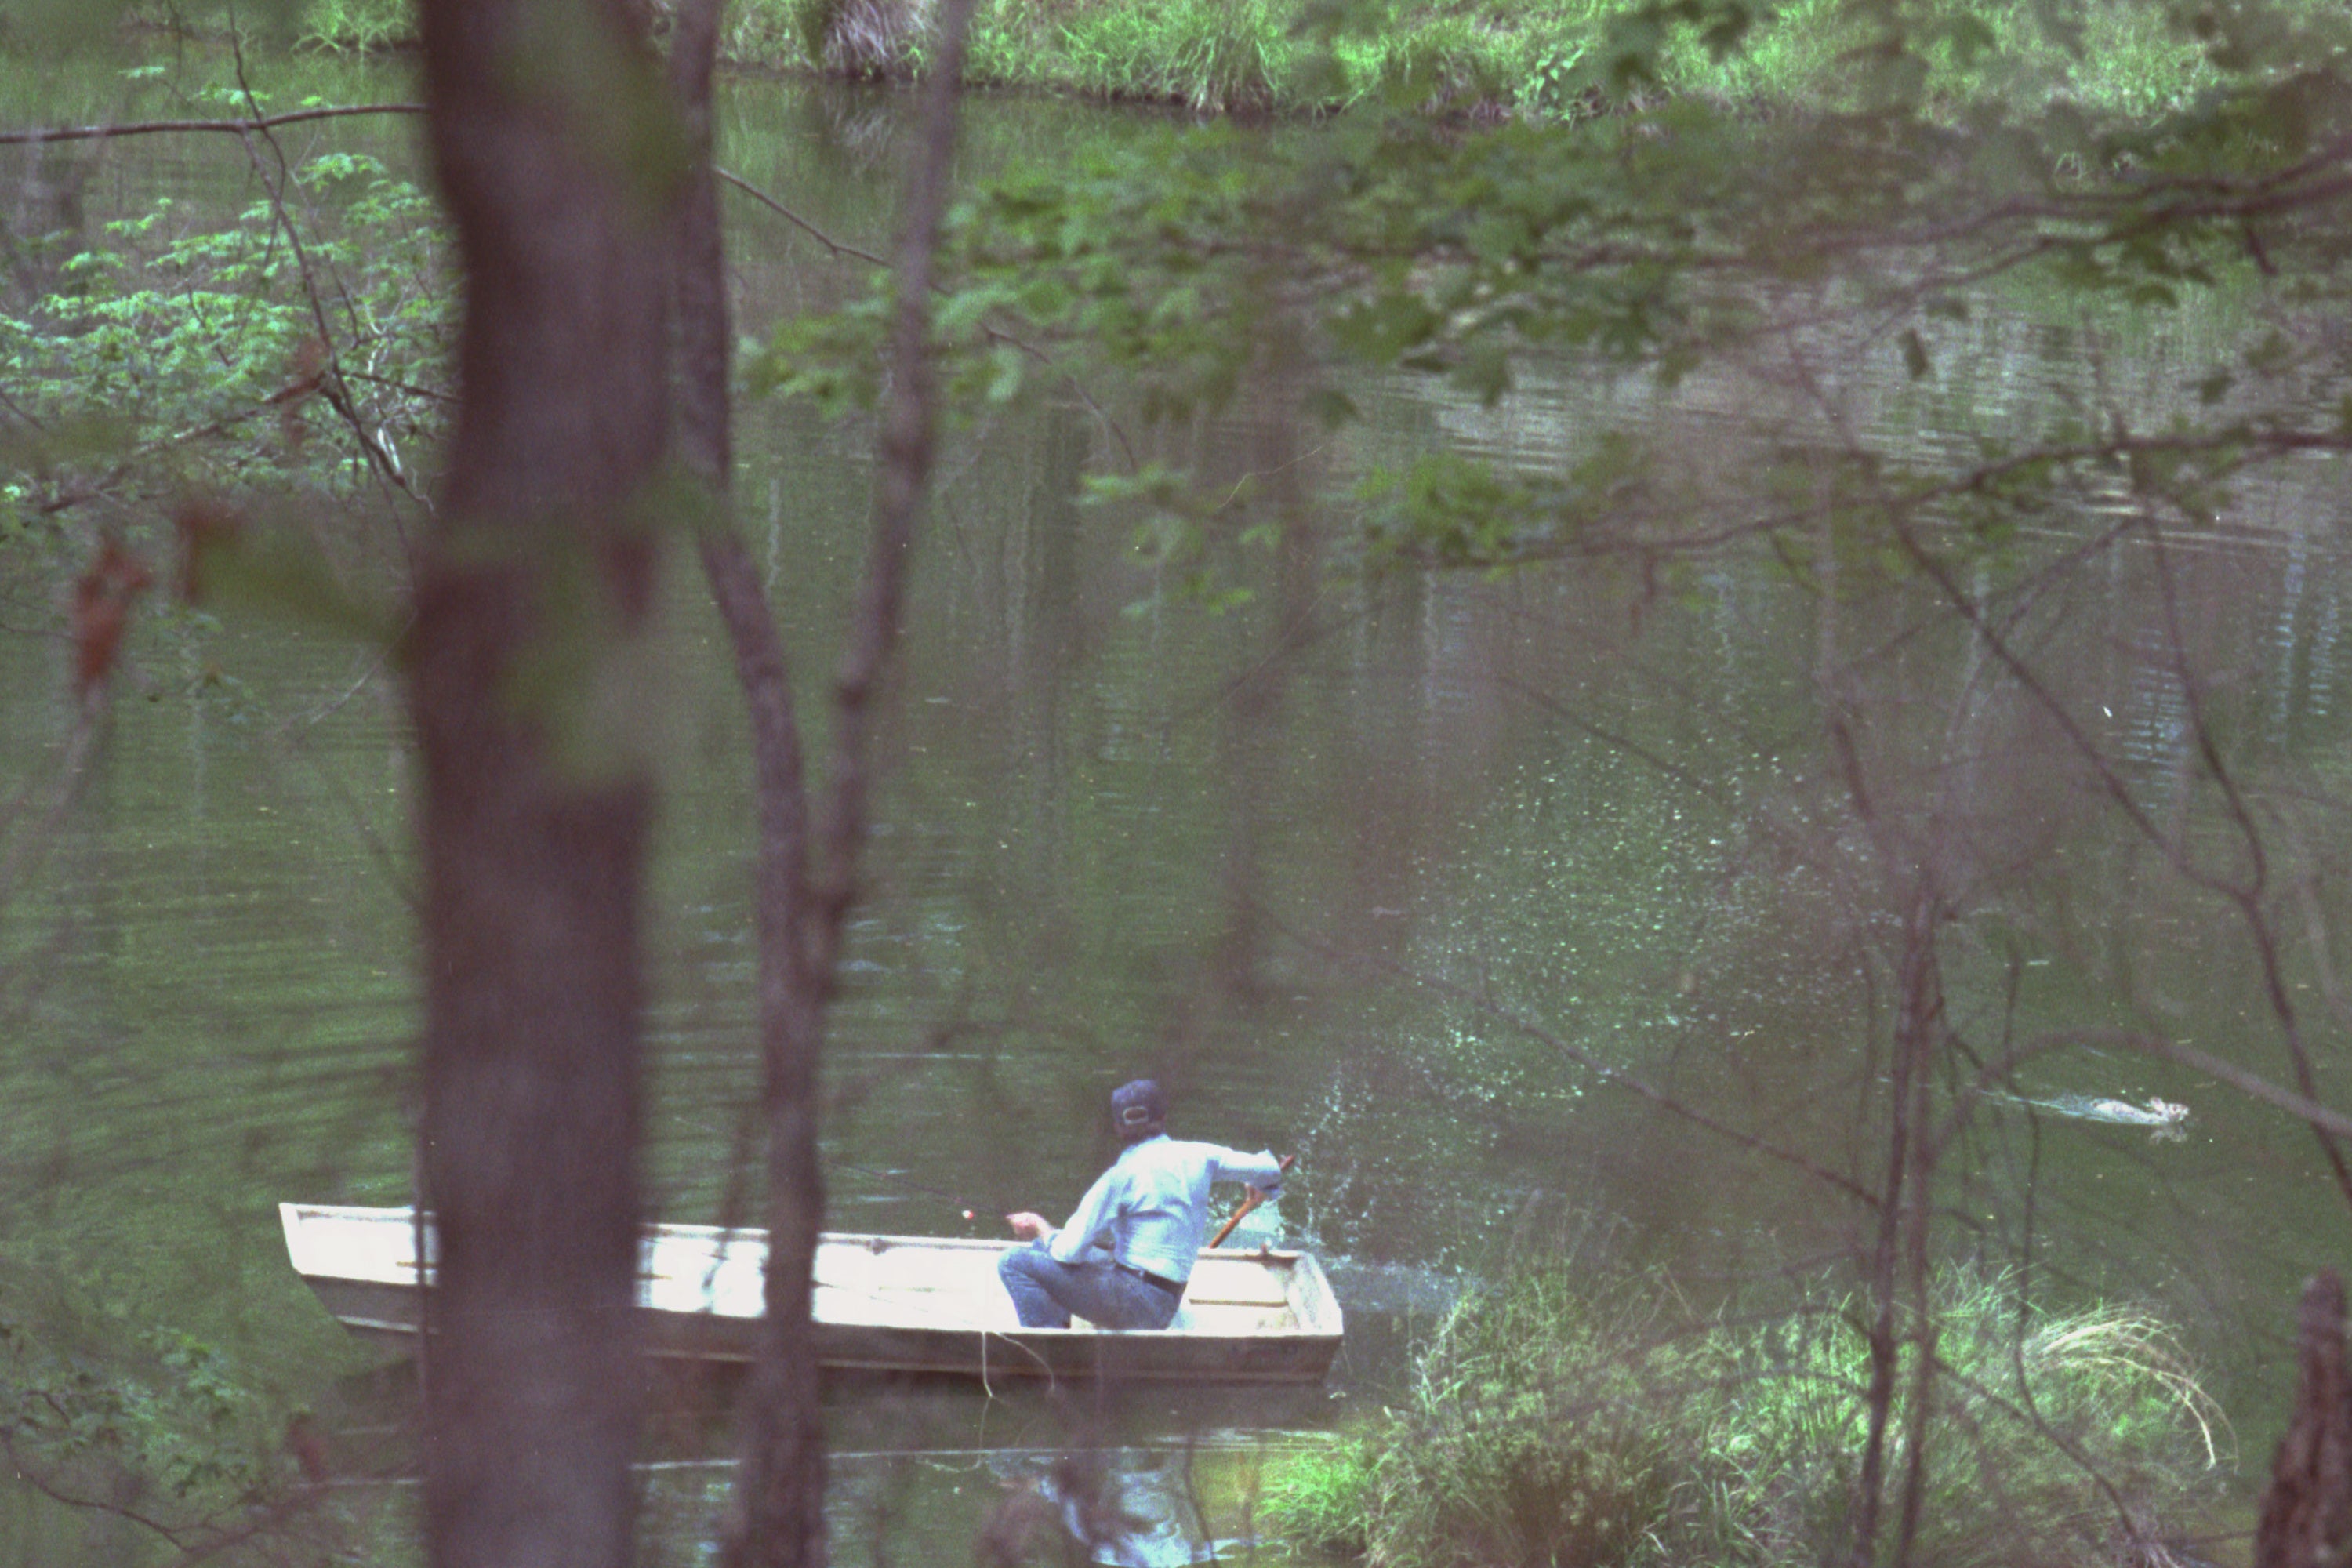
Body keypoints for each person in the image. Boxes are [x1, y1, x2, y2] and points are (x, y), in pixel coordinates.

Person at [997, 1079, 1285, 1330]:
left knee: (1014, 1262)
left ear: (1118, 1128)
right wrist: (1260, 1185)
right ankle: (1058, 1329)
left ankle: (1052, 1356)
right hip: (1167, 1301)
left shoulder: (1119, 1178)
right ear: (1163, 1117)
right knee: (1041, 1250)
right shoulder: (1202, 1156)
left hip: (1137, 1306)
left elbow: (1069, 1252)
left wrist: (1039, 1226)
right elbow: (1269, 1169)